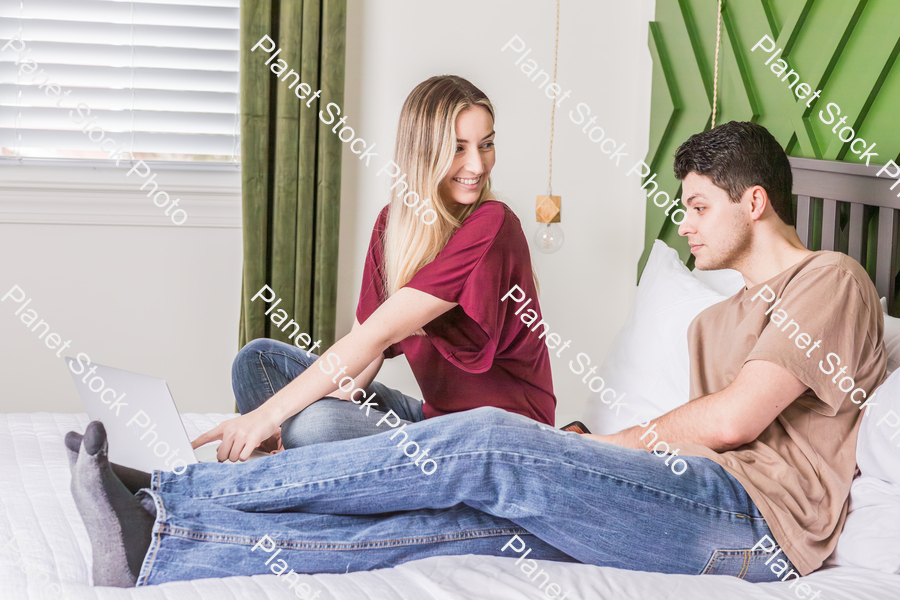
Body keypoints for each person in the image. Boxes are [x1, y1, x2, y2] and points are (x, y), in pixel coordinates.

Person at [65, 121, 885, 589]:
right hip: (689, 504)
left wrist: (587, 448)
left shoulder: (833, 279)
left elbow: (735, 418)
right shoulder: (717, 319)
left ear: (756, 200)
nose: (686, 225)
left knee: (489, 440)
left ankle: (175, 488)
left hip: (755, 527)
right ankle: (168, 543)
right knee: (448, 524)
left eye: (699, 206)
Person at [230, 74, 555, 455]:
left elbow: (377, 335)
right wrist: (316, 409)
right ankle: (309, 458)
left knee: (314, 425)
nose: (477, 165)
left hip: (499, 438)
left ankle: (310, 457)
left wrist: (277, 416)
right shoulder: (394, 226)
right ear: (422, 152)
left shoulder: (492, 223)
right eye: (458, 148)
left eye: (486, 145)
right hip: (434, 421)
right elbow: (361, 355)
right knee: (256, 362)